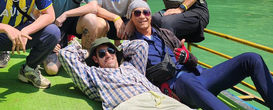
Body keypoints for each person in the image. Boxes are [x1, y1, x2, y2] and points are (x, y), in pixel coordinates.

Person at [126, 0, 273, 110]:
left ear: (150, 15)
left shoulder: (165, 33)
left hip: (201, 75)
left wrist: (187, 57)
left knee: (251, 59)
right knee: (185, 79)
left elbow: (193, 60)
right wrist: (162, 89)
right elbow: (137, 78)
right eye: (137, 13)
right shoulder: (131, 46)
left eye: (145, 12)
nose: (142, 16)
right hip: (179, 86)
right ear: (131, 18)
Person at [58, 37, 191, 110]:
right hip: (132, 104)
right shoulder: (93, 74)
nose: (108, 55)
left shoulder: (131, 66)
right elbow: (65, 55)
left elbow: (141, 45)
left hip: (159, 98)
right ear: (95, 59)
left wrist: (118, 48)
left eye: (110, 50)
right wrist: (85, 52)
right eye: (102, 53)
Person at [42, 0, 98, 75]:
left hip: (73, 21)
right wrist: (48, 37)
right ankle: (65, 48)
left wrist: (66, 14)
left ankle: (85, 56)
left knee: (92, 19)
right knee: (52, 70)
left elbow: (93, 7)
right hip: (54, 25)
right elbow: (37, 12)